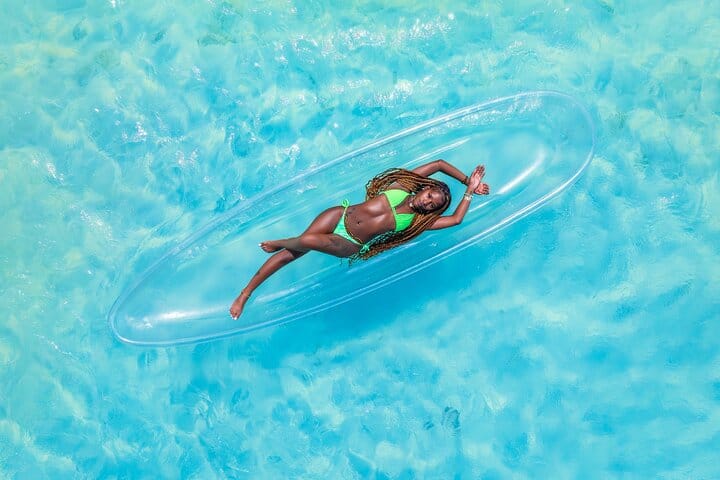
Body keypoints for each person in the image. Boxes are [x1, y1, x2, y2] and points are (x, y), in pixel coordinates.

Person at [229, 159, 490, 319]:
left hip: (349, 243)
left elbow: (456, 219)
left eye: (433, 205)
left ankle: (281, 241)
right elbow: (439, 164)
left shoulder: (418, 222)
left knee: (305, 241)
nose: (428, 202)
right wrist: (468, 180)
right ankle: (245, 294)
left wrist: (469, 193)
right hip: (340, 215)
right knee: (292, 254)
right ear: (426, 187)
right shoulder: (402, 186)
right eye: (430, 195)